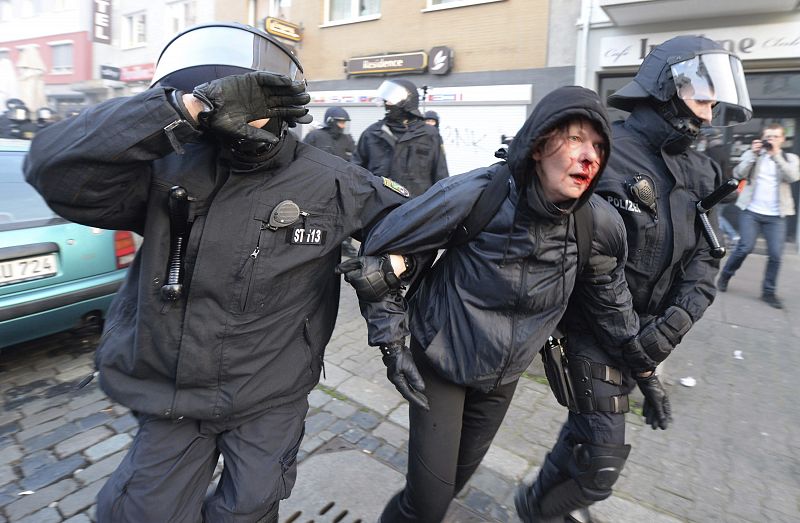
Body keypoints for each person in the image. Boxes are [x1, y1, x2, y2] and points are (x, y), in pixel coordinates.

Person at [24, 22, 410, 523]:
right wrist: (179, 110)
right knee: (139, 513)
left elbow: (417, 228)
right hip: (172, 392)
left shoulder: (332, 179)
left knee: (248, 508)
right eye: (231, 99)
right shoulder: (165, 169)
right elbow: (54, 168)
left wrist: (395, 273)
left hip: (272, 391)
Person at [338, 85, 643, 522]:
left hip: (502, 377)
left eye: (598, 145)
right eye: (575, 139)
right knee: (427, 505)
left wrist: (642, 362)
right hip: (441, 361)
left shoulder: (598, 222)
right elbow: (375, 264)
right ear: (539, 144)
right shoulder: (476, 193)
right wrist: (392, 344)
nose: (589, 156)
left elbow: (612, 297)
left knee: (451, 487)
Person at [515, 35, 753, 522]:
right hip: (589, 329)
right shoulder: (606, 152)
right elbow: (567, 244)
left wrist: (669, 328)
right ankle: (537, 509)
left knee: (586, 432)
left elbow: (707, 260)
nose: (709, 114)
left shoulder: (703, 171)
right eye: (703, 98)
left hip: (646, 337)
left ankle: (544, 497)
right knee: (602, 465)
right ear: (669, 86)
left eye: (714, 101)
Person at [716, 124, 800, 309]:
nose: (772, 139)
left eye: (776, 136)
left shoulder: (790, 157)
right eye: (768, 136)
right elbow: (738, 174)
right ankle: (726, 275)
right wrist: (753, 154)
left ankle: (768, 292)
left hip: (776, 215)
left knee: (776, 255)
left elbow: (793, 176)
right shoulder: (753, 154)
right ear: (762, 138)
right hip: (751, 211)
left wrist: (776, 155)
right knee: (744, 247)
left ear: (782, 139)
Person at [353, 78, 448, 197]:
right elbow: (356, 173)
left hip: (416, 209)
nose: (386, 103)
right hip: (380, 208)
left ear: (406, 101)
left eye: (390, 100)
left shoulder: (429, 134)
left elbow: (441, 176)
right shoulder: (372, 133)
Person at [304, 107, 360, 257]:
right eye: (340, 122)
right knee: (318, 217)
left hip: (342, 186)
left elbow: (355, 160)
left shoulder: (347, 139)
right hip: (318, 185)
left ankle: (345, 245)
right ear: (331, 121)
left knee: (343, 216)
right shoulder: (315, 136)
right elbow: (302, 159)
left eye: (344, 123)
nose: (342, 126)